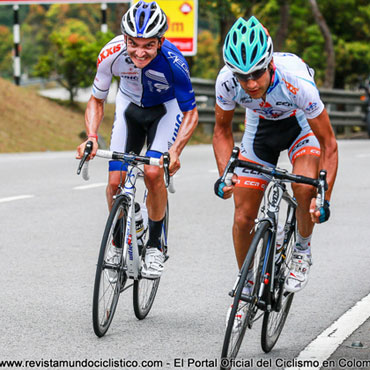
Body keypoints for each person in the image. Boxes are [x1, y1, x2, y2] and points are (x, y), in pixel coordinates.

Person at [213, 16, 338, 301]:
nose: (251, 83)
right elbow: (221, 131)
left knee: (304, 188)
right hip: (260, 129)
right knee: (243, 216)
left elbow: (329, 144)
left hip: (299, 126)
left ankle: (302, 250)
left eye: (257, 73)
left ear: (270, 64)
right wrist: (225, 175)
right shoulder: (227, 82)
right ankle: (246, 285)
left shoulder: (297, 82)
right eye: (242, 76)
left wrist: (324, 197)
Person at [76, 1, 198, 279]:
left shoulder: (175, 62)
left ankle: (155, 246)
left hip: (165, 111)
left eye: (148, 45)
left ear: (161, 41)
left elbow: (190, 111)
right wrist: (92, 137)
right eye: (134, 44)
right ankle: (118, 244)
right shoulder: (110, 54)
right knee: (114, 183)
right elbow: (96, 100)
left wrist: (176, 150)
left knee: (154, 173)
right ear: (125, 39)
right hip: (129, 107)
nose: (140, 52)